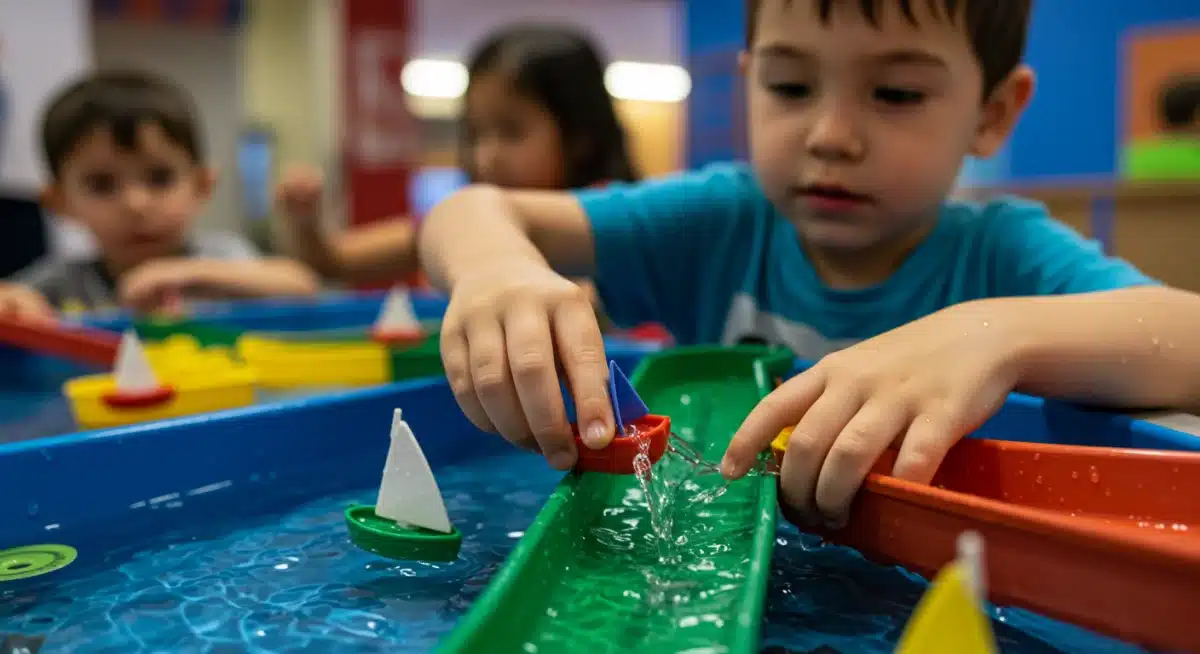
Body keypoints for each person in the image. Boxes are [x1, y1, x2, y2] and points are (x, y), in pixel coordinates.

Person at [417, 0, 1200, 529]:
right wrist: (497, 272)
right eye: (790, 85)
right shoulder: (718, 220)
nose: (831, 134)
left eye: (894, 93)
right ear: (749, 78)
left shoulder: (999, 255)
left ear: (991, 114)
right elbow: (472, 210)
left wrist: (994, 335)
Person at [276, 23, 639, 285]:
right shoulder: (463, 221)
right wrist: (305, 223)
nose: (486, 156)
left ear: (580, 137)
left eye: (512, 132)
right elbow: (332, 260)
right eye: (475, 133)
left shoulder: (615, 223)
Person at [0, 70, 319, 320]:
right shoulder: (60, 283)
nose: (136, 204)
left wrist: (187, 274)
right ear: (59, 203)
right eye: (102, 185)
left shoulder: (220, 257)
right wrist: (15, 304)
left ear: (202, 185)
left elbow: (302, 285)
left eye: (160, 178)